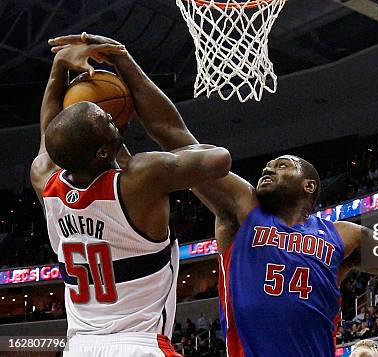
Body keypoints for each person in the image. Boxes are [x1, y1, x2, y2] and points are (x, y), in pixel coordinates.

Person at [48, 33, 378, 357]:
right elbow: (176, 140)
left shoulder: (343, 237)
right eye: (267, 164)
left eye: (283, 165)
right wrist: (123, 64)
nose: (269, 168)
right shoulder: (240, 211)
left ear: (309, 186)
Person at [31, 43, 231, 356]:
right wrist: (127, 71)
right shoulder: (142, 178)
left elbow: (50, 132)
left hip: (79, 347)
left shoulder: (43, 178)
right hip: (138, 345)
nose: (112, 117)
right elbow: (220, 158)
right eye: (107, 119)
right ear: (101, 151)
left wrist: (58, 68)